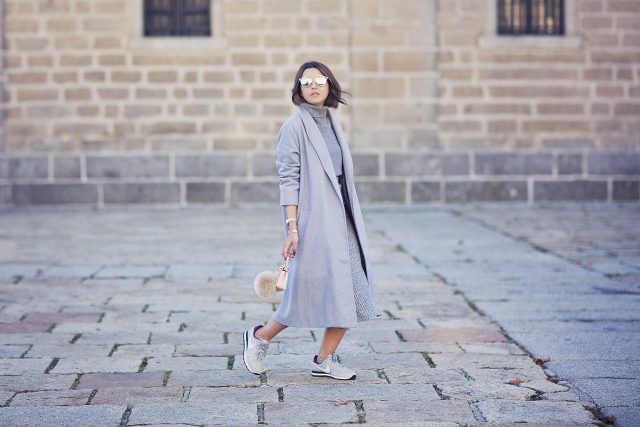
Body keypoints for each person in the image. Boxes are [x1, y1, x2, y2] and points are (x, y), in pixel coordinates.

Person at [243, 60, 382, 381]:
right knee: (305, 291)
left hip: (343, 219)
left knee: (354, 291)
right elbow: (288, 179)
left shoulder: (333, 122)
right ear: (298, 89)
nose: (314, 86)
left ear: (330, 85)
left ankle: (324, 359)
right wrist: (292, 228)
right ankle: (260, 337)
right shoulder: (293, 128)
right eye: (307, 82)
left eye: (320, 80)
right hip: (313, 221)